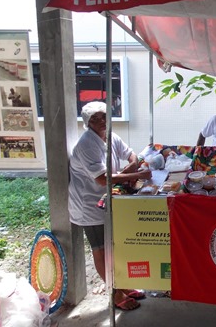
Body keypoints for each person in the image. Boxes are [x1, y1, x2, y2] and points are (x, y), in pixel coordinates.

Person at [68, 101, 151, 311]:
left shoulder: (110, 135)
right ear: (88, 123)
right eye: (94, 119)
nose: (101, 121)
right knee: (101, 251)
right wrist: (137, 174)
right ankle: (114, 294)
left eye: (104, 115)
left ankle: (122, 285)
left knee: (115, 247)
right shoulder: (87, 144)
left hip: (107, 200)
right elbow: (102, 179)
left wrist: (132, 164)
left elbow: (132, 154)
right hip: (89, 205)